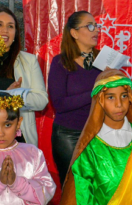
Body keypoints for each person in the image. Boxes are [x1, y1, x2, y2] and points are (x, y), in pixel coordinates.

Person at [60, 69, 132, 204]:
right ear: (100, 100)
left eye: (124, 96)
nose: (119, 104)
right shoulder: (90, 149)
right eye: (111, 97)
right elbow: (81, 195)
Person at [0, 7, 48, 146]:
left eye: (10, 26)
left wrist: (15, 95)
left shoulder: (29, 61)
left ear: (15, 32)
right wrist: (3, 96)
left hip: (20, 141)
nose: (5, 30)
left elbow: (42, 101)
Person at [0, 92, 56, 204]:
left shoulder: (33, 153)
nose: (0, 133)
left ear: (18, 123)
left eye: (7, 125)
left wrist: (16, 182)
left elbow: (47, 192)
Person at [48, 10, 102, 186]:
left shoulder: (103, 61)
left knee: (98, 190)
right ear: (74, 33)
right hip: (68, 136)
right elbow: (59, 103)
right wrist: (94, 91)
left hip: (99, 134)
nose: (96, 31)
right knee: (73, 189)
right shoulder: (60, 62)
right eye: (90, 26)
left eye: (97, 26)